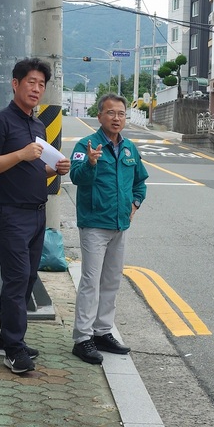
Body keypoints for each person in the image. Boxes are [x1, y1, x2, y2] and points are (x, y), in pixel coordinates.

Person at [0, 58, 71, 374]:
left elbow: (31, 167)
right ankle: (14, 349)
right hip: (9, 215)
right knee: (17, 279)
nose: (36, 88)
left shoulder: (38, 124)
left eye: (41, 84)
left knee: (28, 278)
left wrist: (52, 168)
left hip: (35, 214)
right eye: (30, 82)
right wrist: (21, 153)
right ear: (15, 83)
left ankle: (6, 339)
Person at [70, 93, 149, 364]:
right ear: (100, 116)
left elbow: (140, 182)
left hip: (119, 225)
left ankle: (102, 331)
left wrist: (135, 203)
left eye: (121, 114)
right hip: (94, 224)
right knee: (91, 281)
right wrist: (91, 163)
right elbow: (76, 176)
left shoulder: (129, 149)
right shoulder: (85, 144)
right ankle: (82, 338)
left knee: (112, 281)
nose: (117, 118)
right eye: (111, 113)